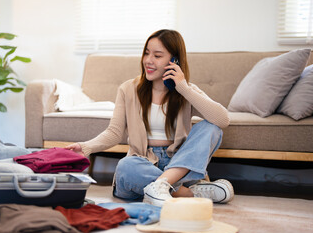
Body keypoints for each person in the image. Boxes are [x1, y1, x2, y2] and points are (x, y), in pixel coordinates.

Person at [66, 29, 234, 207]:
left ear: (174, 60)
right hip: (142, 163)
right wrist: (87, 147)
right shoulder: (128, 89)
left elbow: (222, 120)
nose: (148, 60)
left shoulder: (186, 90)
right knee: (126, 166)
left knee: (211, 127)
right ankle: (187, 192)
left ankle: (162, 186)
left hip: (178, 164)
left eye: (157, 55)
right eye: (147, 53)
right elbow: (114, 132)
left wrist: (183, 88)